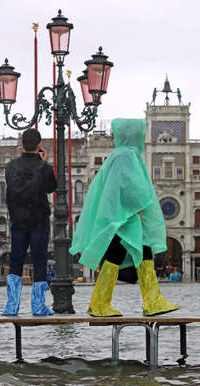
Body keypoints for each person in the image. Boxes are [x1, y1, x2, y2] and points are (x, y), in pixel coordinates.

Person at [69, 118, 179, 317]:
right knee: (141, 251)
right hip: (129, 215)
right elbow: (129, 185)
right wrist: (137, 208)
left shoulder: (118, 154)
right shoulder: (127, 155)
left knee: (120, 254)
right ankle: (150, 302)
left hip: (121, 215)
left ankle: (101, 303)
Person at [2, 128, 57, 316]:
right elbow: (51, 188)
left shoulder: (10, 167)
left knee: (16, 259)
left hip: (17, 218)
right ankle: (38, 306)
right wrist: (44, 163)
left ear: (21, 144)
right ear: (39, 145)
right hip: (39, 218)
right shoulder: (45, 168)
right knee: (39, 259)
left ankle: (11, 306)